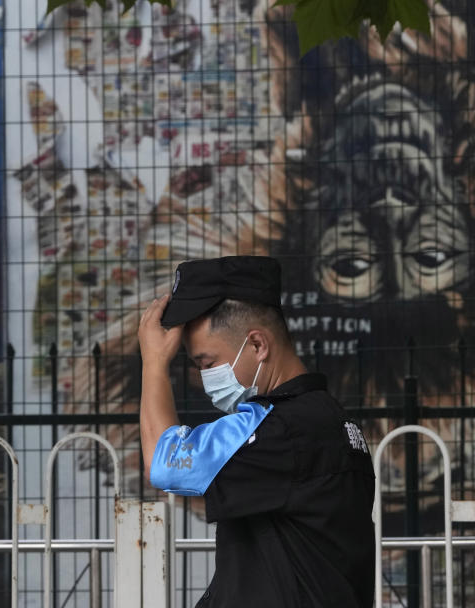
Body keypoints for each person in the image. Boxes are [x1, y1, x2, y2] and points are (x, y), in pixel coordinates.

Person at [137, 255, 376, 608]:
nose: (204, 379)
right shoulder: (328, 420)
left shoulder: (280, 430)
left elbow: (165, 461)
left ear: (258, 345)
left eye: (207, 363)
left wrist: (154, 363)